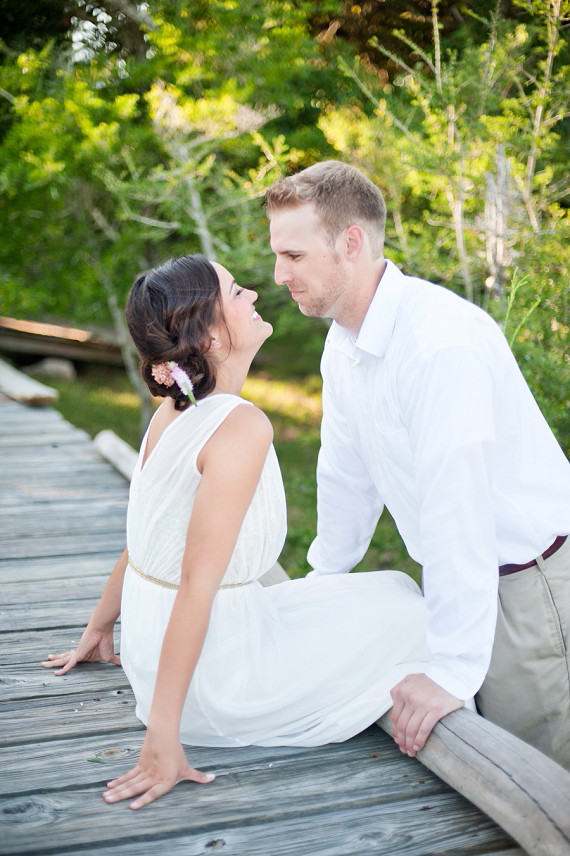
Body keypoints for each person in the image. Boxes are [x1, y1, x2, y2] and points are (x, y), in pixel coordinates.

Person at [42, 253, 430, 809]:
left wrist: (100, 627)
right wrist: (161, 738)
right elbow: (197, 584)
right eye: (234, 290)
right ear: (210, 333)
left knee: (388, 591)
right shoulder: (239, 425)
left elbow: (148, 542)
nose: (252, 292)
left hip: (156, 660)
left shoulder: (173, 414)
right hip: (218, 676)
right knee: (413, 616)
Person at [265, 161, 570, 768]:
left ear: (350, 243)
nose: (280, 275)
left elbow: (459, 510)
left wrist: (453, 671)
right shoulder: (344, 340)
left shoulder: (438, 344)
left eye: (294, 256)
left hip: (529, 587)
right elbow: (345, 473)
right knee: (481, 768)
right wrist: (323, 582)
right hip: (462, 579)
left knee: (537, 778)